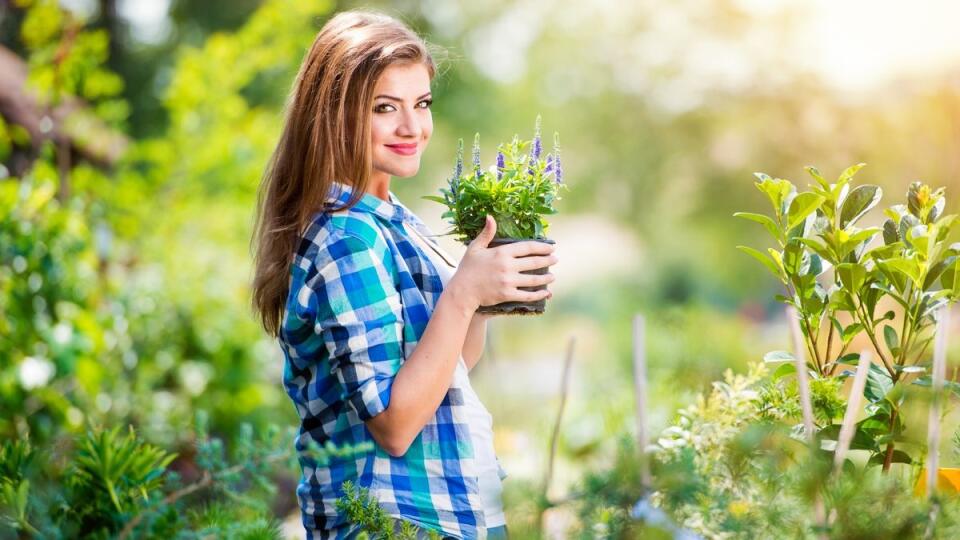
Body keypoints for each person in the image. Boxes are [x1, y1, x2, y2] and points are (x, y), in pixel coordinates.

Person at [250, 10, 558, 540]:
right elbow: (394, 426)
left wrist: (484, 296)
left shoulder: (392, 221)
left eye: (422, 104)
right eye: (384, 108)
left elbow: (448, 368)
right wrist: (461, 295)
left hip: (436, 514)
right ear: (334, 114)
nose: (412, 127)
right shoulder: (345, 239)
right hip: (388, 522)